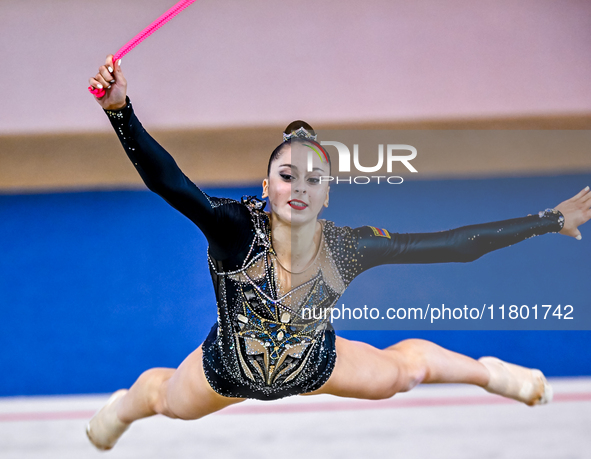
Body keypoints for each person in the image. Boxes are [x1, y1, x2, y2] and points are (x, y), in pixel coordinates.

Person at [86, 55, 591, 451]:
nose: (299, 188)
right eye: (287, 176)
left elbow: (457, 246)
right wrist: (120, 112)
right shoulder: (233, 228)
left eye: (314, 180)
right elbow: (168, 181)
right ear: (266, 186)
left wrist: (549, 220)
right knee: (163, 399)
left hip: (315, 364)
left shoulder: (348, 247)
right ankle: (119, 411)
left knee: (407, 372)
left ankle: (494, 374)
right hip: (226, 369)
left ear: (328, 195)